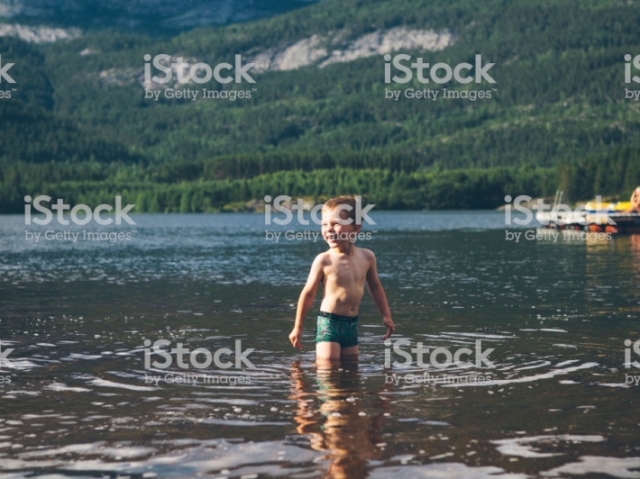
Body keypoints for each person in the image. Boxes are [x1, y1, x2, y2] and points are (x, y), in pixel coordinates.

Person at [288, 195, 395, 364]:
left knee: (351, 371)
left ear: (355, 228)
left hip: (351, 324)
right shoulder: (324, 260)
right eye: (324, 224)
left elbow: (375, 287)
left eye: (336, 223)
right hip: (329, 323)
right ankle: (301, 385)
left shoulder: (367, 257)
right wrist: (298, 327)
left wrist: (386, 315)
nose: (328, 229)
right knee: (328, 371)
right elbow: (308, 293)